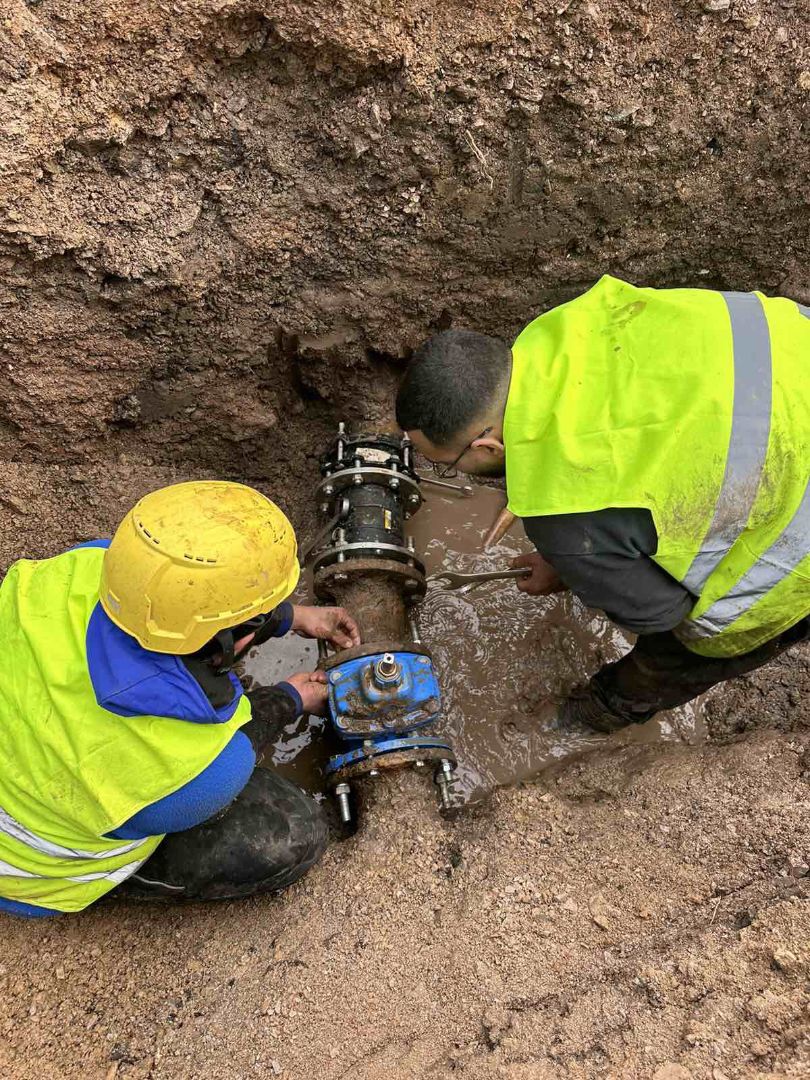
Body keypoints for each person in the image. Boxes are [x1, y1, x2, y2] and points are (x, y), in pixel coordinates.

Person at [396, 275, 809, 731]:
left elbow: (661, 614)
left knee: (687, 647)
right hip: (792, 359)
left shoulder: (565, 516)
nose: (450, 471)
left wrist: (579, 567)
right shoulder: (582, 321)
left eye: (449, 465)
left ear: (487, 447)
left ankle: (591, 717)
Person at [0, 480, 360, 917]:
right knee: (291, 833)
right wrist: (287, 700)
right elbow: (234, 747)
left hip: (20, 748)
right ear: (228, 643)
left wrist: (292, 617)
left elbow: (184, 610)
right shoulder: (206, 774)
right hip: (25, 870)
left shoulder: (80, 565)